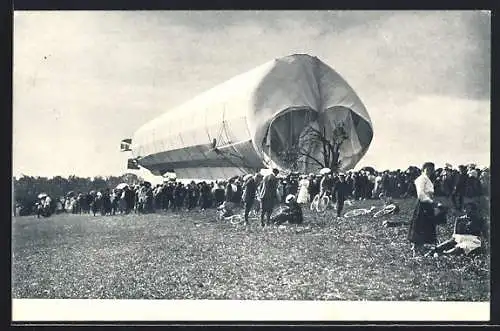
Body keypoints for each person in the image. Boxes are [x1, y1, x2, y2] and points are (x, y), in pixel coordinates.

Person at [407, 162, 443, 256]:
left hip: (428, 204)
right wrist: (432, 202)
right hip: (423, 204)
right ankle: (415, 249)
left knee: (425, 226)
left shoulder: (428, 179)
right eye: (428, 169)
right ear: (423, 169)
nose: (430, 171)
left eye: (432, 169)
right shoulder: (422, 179)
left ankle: (420, 247)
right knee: (419, 226)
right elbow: (420, 194)